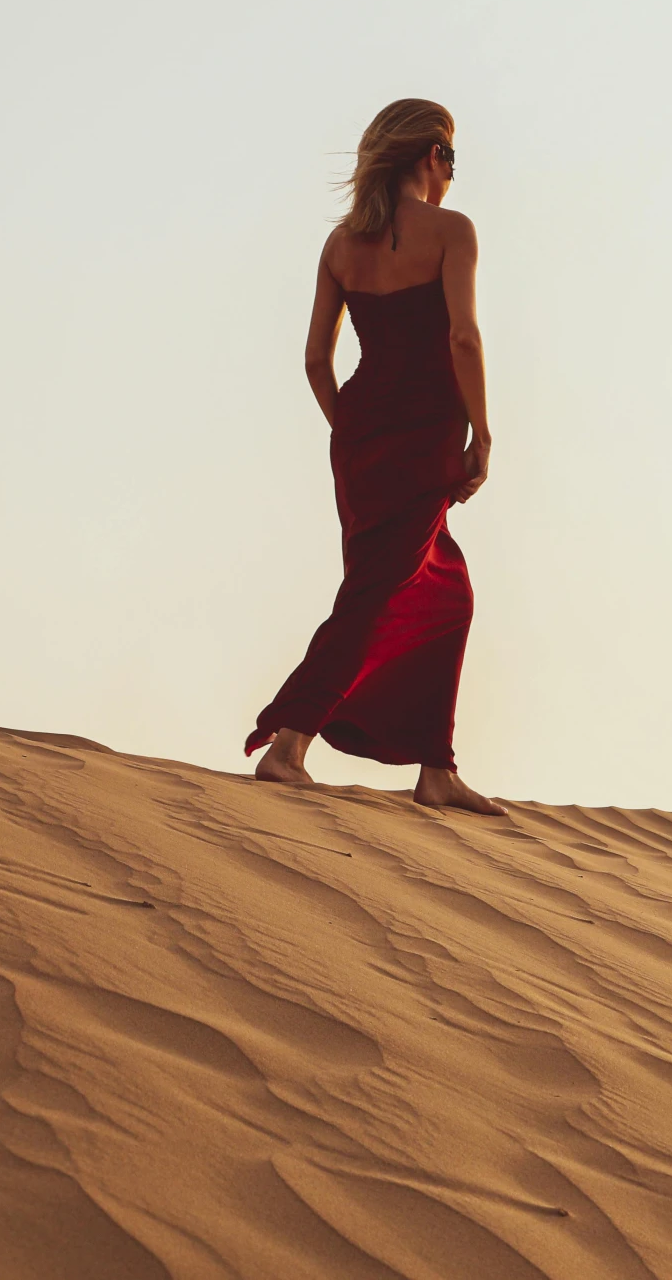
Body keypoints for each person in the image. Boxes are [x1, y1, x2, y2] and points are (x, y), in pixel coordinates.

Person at [245, 99, 506, 815]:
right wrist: (480, 433)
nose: (453, 174)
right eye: (451, 157)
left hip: (362, 433)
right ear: (431, 156)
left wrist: (350, 431)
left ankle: (436, 768)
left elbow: (315, 361)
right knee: (375, 593)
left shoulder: (340, 245)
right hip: (425, 434)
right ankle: (289, 744)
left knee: (445, 592)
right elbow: (463, 339)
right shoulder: (453, 231)